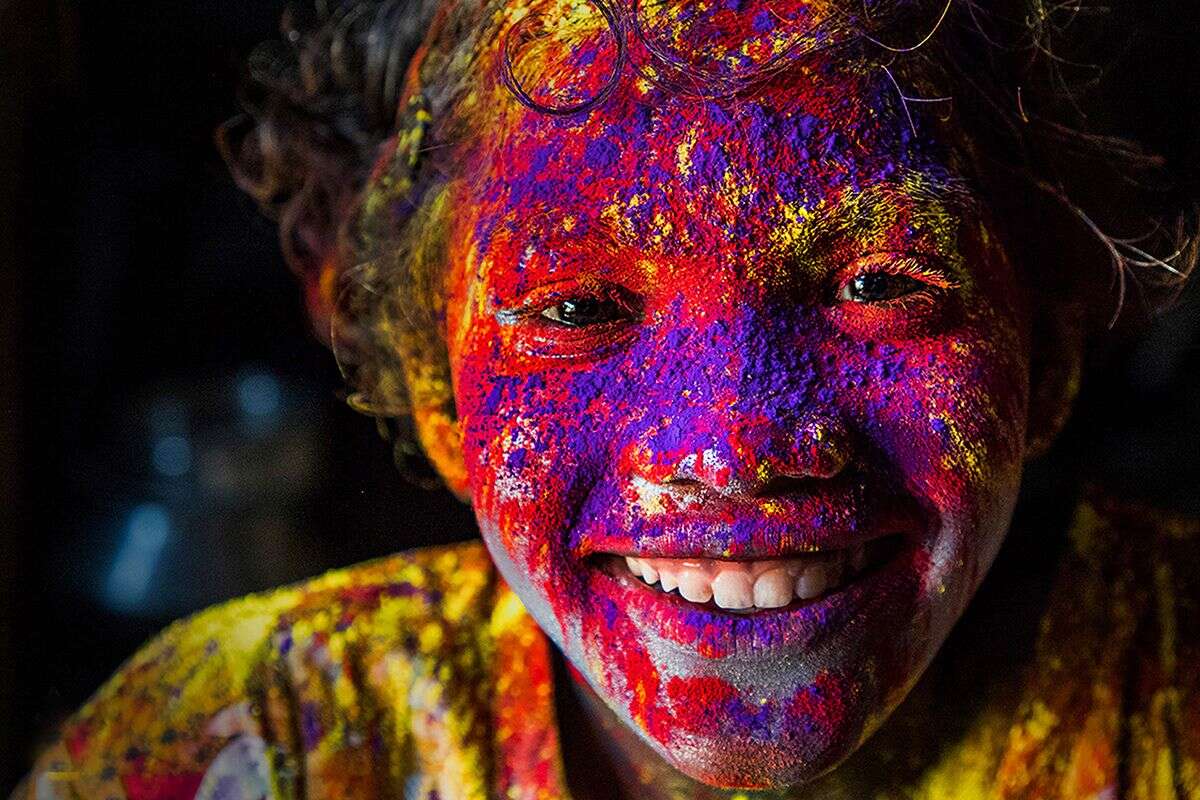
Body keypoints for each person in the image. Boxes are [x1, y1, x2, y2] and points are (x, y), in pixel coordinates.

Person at [15, 0, 1200, 797]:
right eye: (578, 308)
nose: (734, 443)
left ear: (1043, 354)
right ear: (437, 384)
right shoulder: (253, 739)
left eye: (882, 284)